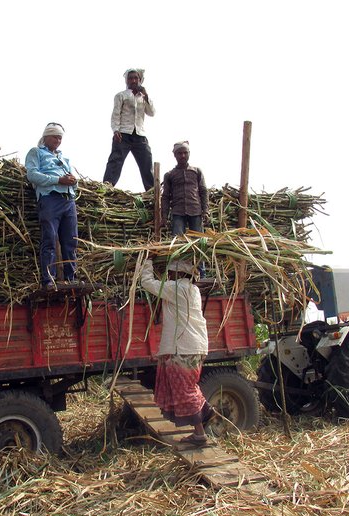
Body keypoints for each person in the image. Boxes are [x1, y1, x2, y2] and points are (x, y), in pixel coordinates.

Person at [139, 258, 214, 446]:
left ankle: (201, 431)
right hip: (192, 346)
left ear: (180, 274)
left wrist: (147, 261)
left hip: (183, 348)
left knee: (185, 390)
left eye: (171, 273)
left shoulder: (178, 288)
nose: (169, 276)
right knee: (188, 387)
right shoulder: (192, 289)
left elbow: (147, 283)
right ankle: (205, 416)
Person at [24, 122, 78, 289]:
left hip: (68, 200)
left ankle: (71, 278)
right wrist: (58, 180)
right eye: (55, 136)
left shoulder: (63, 158)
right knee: (49, 239)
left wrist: (73, 182)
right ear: (46, 137)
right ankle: (48, 280)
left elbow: (73, 181)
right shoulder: (36, 152)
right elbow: (32, 175)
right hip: (50, 199)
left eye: (60, 137)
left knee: (71, 241)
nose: (58, 140)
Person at [103, 68, 155, 190]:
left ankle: (152, 191)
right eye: (130, 78)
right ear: (127, 80)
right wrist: (116, 130)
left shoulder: (143, 97)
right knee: (115, 161)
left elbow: (151, 112)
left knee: (146, 161)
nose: (133, 80)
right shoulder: (121, 95)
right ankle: (106, 187)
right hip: (123, 134)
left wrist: (146, 96)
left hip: (139, 134)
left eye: (136, 78)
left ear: (140, 80)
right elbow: (116, 114)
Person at [161, 141, 209, 276]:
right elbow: (165, 197)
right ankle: (178, 273)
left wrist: (205, 210)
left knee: (199, 244)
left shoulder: (196, 171)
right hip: (178, 212)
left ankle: (201, 273)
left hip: (195, 211)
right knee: (177, 243)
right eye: (179, 153)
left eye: (185, 153)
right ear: (174, 155)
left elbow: (203, 191)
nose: (182, 156)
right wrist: (164, 217)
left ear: (189, 154)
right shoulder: (170, 175)